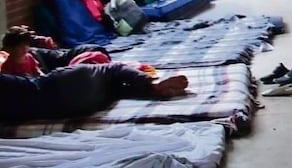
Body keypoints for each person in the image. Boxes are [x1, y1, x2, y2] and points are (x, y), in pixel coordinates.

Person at [0, 63, 189, 124]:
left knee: (115, 86)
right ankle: (151, 86)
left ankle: (152, 88)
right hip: (81, 94)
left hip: (66, 105)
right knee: (114, 77)